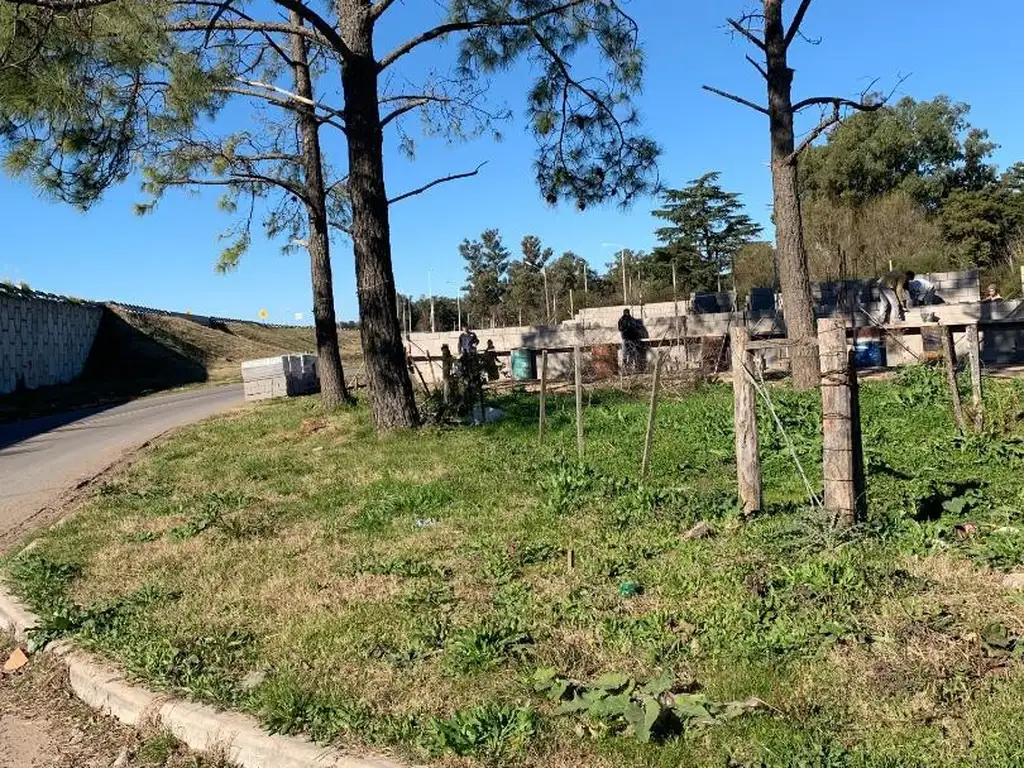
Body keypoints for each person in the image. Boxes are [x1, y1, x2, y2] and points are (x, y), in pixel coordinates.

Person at [618, 308, 642, 373]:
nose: (626, 314)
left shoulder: (631, 320)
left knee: (632, 354)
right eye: (626, 313)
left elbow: (635, 328)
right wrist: (626, 328)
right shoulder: (622, 320)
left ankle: (632, 368)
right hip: (626, 339)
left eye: (627, 313)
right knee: (625, 354)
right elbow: (620, 328)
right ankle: (625, 369)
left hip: (632, 339)